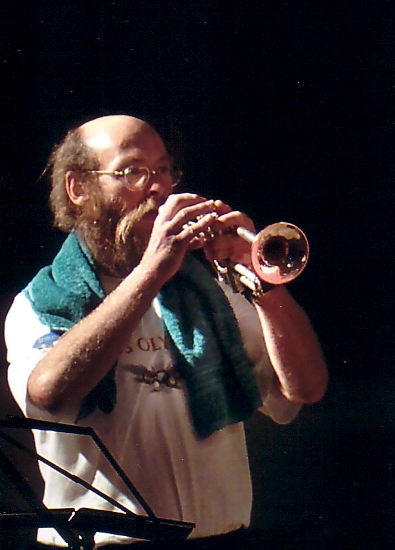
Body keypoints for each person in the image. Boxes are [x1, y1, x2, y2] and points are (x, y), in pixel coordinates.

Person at [5, 115, 329, 547]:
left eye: (163, 169)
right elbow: (49, 394)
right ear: (78, 188)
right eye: (133, 171)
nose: (158, 187)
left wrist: (261, 282)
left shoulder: (211, 291)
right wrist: (152, 271)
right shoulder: (38, 303)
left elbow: (305, 389)